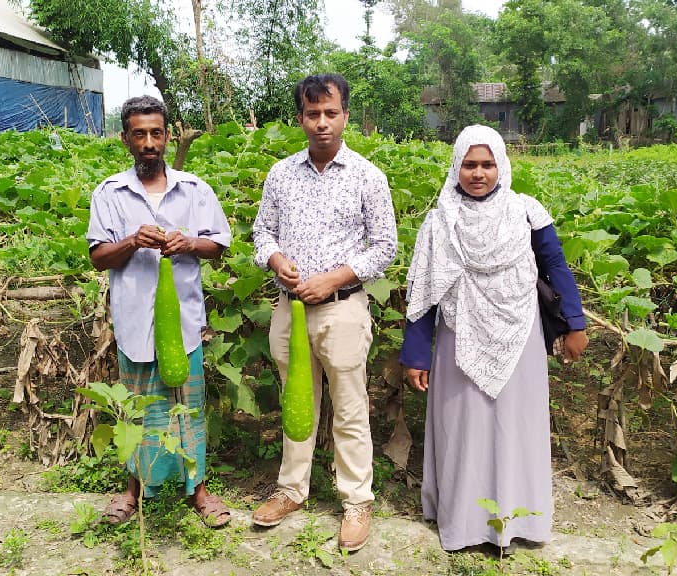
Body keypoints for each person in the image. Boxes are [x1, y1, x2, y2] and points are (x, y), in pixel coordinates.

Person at [400, 124, 588, 552]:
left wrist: (575, 325)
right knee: (462, 427)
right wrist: (416, 354)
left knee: (515, 426)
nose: (478, 173)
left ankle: (519, 520)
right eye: (469, 164)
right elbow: (423, 290)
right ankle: (465, 523)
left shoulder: (526, 211)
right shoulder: (439, 221)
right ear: (456, 168)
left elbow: (556, 267)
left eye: (487, 164)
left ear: (501, 166)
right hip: (458, 336)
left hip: (519, 333)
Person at [251, 73, 397, 551]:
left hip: (343, 309)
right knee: (299, 403)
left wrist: (334, 277)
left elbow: (386, 248)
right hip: (288, 311)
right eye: (312, 114)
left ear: (345, 116)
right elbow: (262, 233)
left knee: (350, 408)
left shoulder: (367, 176)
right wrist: (275, 259)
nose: (321, 123)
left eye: (330, 113)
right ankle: (292, 490)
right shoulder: (281, 174)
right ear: (300, 118)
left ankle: (356, 500)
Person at [86, 95, 233, 528]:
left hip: (183, 323)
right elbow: (98, 257)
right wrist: (132, 241)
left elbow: (219, 247)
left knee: (188, 405)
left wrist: (189, 242)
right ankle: (134, 489)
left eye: (156, 133)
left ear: (167, 137)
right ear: (126, 139)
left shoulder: (195, 190)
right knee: (139, 407)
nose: (149, 142)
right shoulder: (110, 193)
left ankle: (199, 490)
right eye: (139, 134)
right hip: (134, 322)